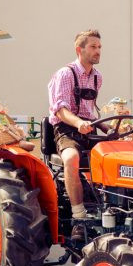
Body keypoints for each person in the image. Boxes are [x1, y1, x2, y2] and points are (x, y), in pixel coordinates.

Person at [48, 29, 103, 239]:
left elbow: (92, 111)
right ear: (79, 49)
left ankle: (108, 208)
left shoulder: (97, 77)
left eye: (99, 47)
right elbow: (60, 110)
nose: (97, 51)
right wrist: (79, 123)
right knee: (71, 158)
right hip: (66, 128)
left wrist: (115, 128)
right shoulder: (65, 74)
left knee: (120, 155)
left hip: (89, 128)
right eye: (93, 47)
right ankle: (78, 217)